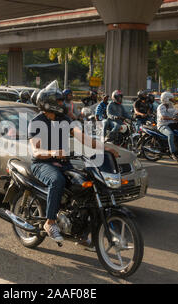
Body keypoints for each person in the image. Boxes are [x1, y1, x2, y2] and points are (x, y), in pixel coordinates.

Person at [28, 81, 117, 242]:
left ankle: (81, 230)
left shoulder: (64, 119)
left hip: (63, 163)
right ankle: (50, 222)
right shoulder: (37, 121)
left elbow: (83, 138)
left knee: (85, 185)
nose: (64, 104)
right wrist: (53, 153)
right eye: (60, 101)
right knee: (57, 180)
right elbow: (35, 150)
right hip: (42, 164)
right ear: (50, 103)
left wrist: (106, 148)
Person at [156, 92, 178, 162]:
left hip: (170, 124)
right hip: (163, 125)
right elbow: (163, 117)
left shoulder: (170, 107)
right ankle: (173, 153)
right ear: (166, 99)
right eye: (171, 99)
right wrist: (172, 119)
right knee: (170, 134)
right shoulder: (161, 107)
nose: (172, 100)